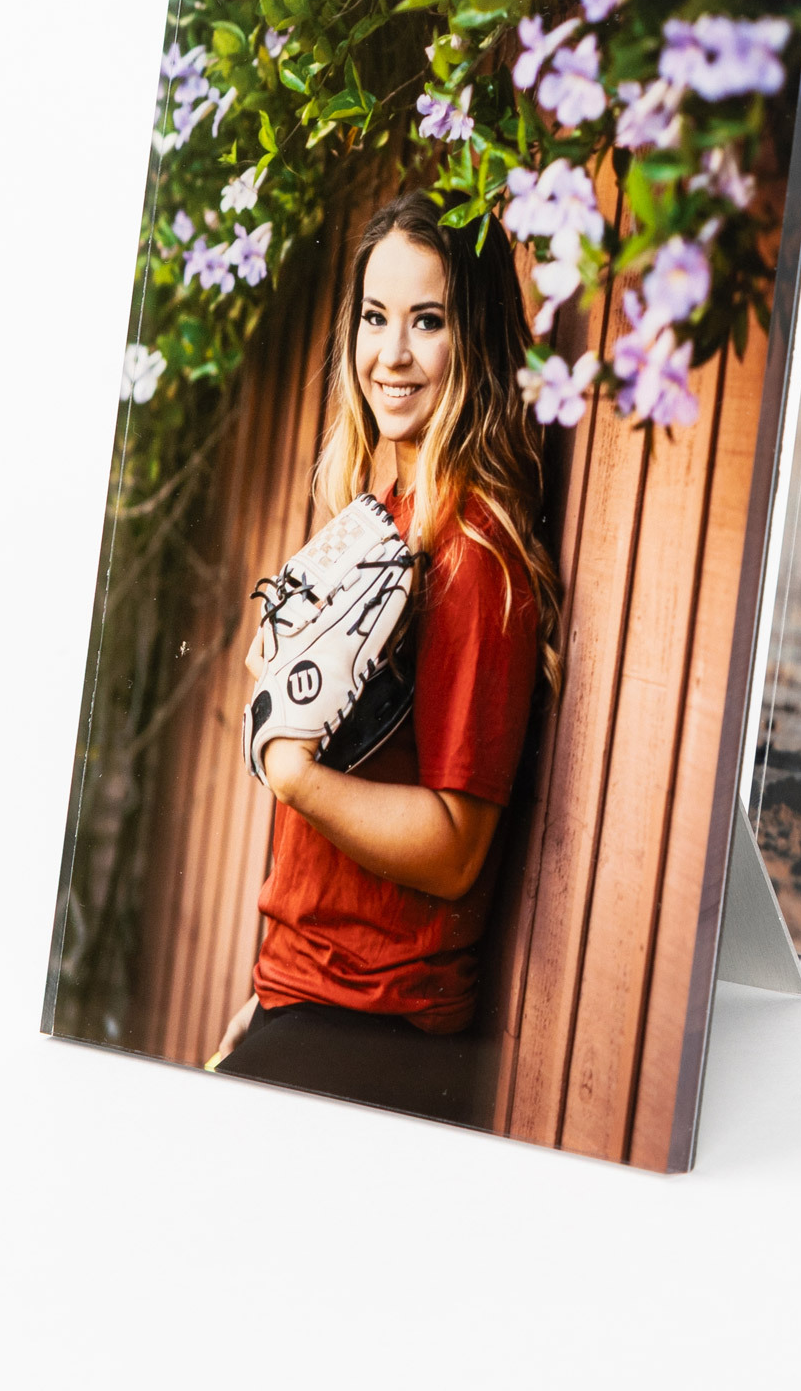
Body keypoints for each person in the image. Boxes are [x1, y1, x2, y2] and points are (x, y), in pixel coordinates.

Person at [205, 192, 554, 1120]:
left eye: (427, 322)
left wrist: (296, 776)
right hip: (312, 1003)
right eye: (375, 318)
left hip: (382, 1031)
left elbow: (454, 850)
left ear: (473, 343)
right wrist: (276, 994)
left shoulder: (474, 559)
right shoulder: (384, 522)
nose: (391, 355)